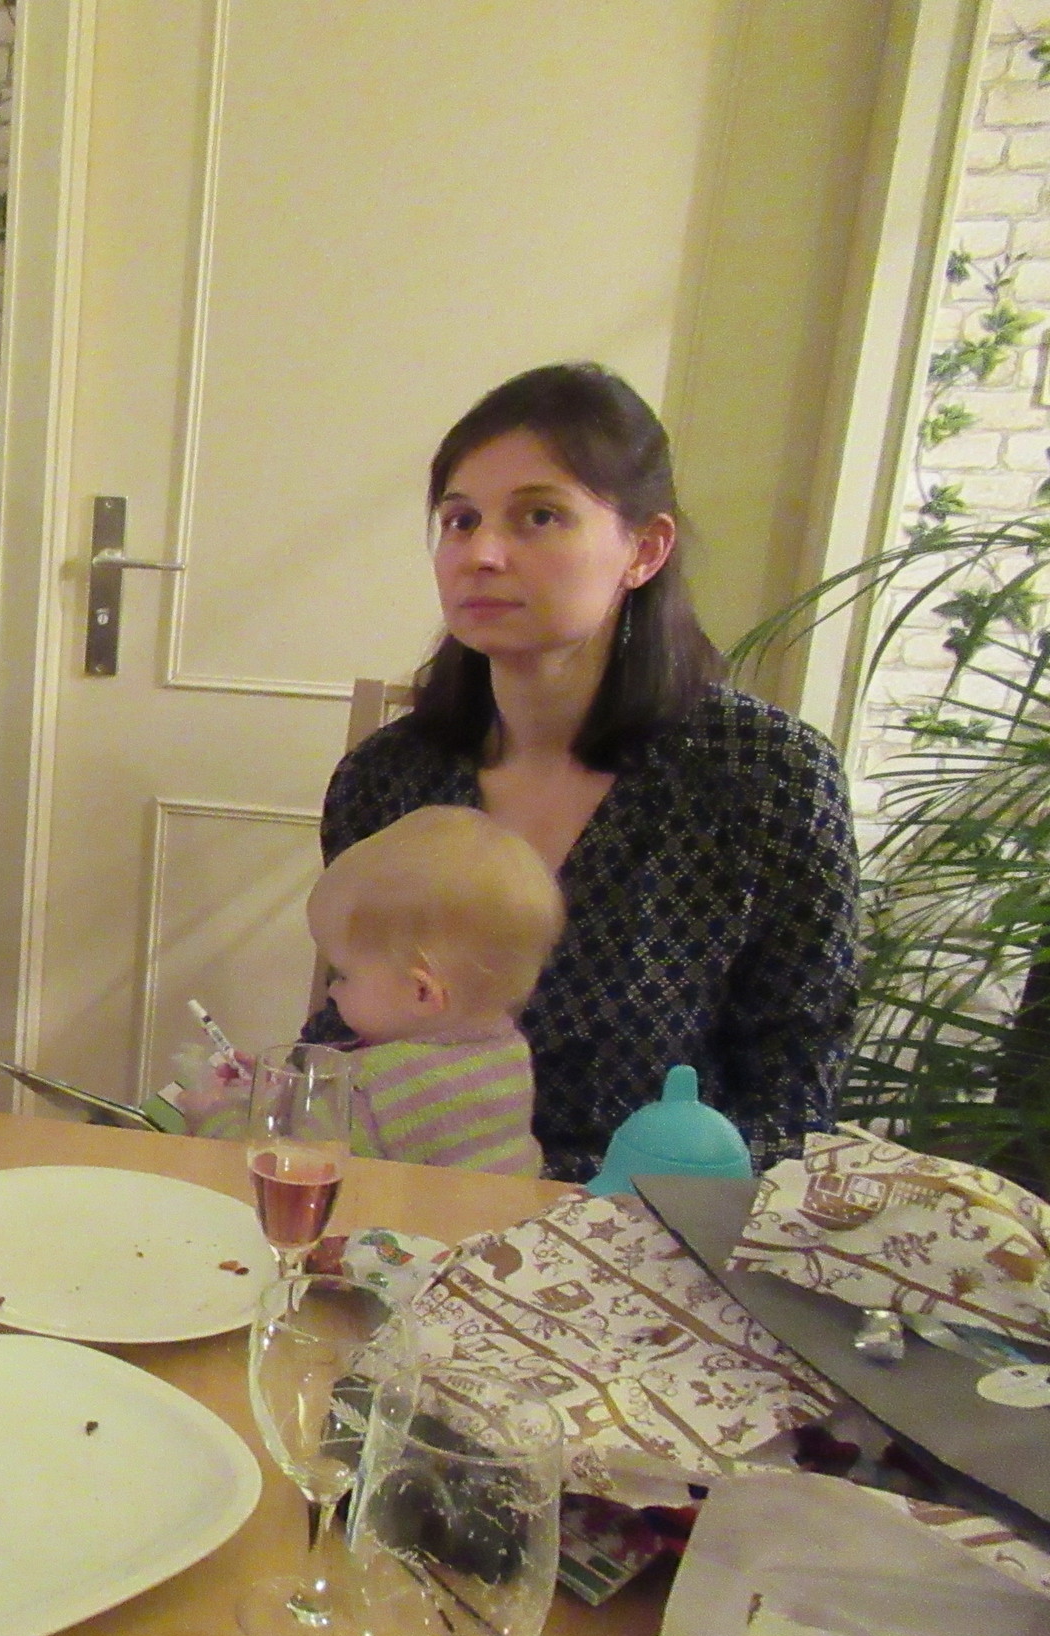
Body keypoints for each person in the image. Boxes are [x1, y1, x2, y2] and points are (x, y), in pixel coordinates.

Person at [317, 363, 857, 1180]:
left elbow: (794, 1094)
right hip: (406, 1207)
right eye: (460, 520)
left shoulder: (767, 778)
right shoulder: (388, 778)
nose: (481, 554)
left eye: (539, 516)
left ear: (645, 549)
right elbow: (352, 1029)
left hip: (644, 1222)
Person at [180, 807, 562, 1174]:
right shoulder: (507, 1052)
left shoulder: (368, 1089)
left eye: (343, 974)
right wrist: (283, 1094)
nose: (332, 991)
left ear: (421, 993)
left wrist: (213, 1117)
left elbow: (278, 1166)